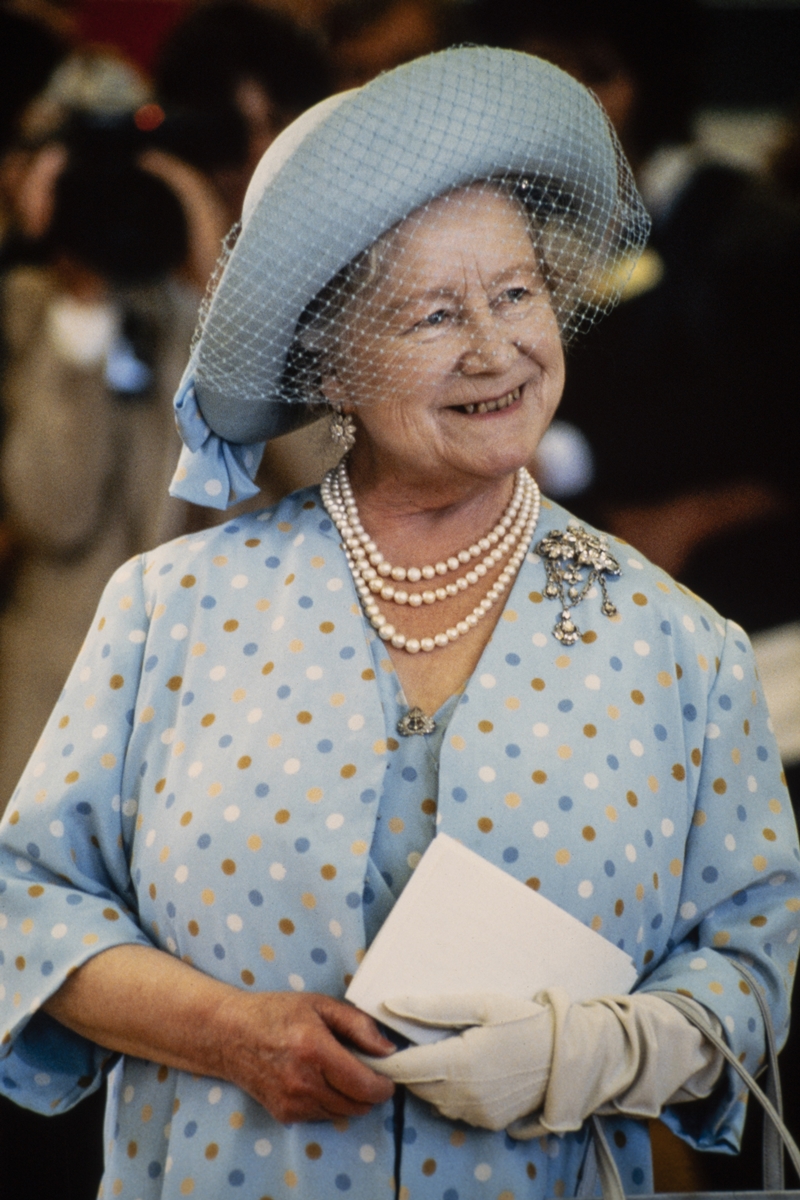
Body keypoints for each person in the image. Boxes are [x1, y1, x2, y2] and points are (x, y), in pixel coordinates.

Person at [0, 48, 797, 1200]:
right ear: (331, 357)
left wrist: (607, 1050)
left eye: (516, 293)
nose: (495, 348)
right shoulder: (170, 611)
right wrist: (228, 1035)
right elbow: (25, 907)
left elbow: (749, 958)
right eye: (433, 313)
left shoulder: (679, 646)